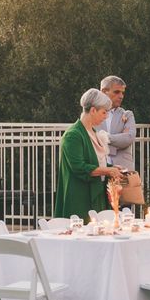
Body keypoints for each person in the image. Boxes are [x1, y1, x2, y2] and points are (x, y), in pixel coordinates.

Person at [55, 89, 123, 221]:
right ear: (93, 110)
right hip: (80, 196)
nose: (106, 116)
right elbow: (79, 167)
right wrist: (108, 170)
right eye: (104, 112)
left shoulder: (92, 131)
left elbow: (95, 161)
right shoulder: (73, 135)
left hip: (96, 193)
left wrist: (113, 168)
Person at [97, 76, 136, 171]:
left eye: (122, 93)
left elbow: (129, 138)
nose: (121, 96)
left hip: (123, 171)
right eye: (117, 92)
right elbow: (91, 140)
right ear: (103, 91)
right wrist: (118, 139)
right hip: (99, 169)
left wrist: (105, 137)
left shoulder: (127, 114)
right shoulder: (93, 114)